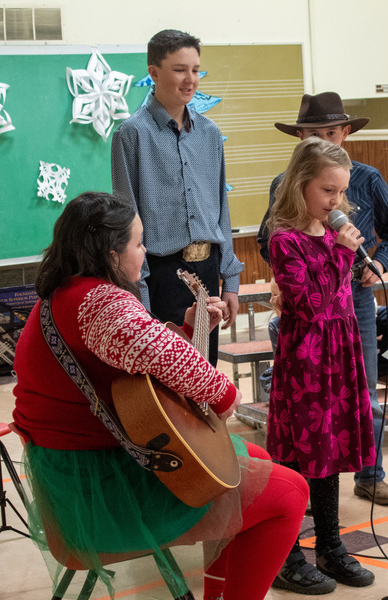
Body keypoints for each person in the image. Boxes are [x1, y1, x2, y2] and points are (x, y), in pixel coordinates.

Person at [12, 192, 307, 600]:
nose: (143, 252)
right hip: (101, 487)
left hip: (78, 471)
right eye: (138, 243)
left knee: (244, 461)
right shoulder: (100, 302)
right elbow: (181, 367)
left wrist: (187, 325)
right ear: (111, 251)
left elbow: (139, 349)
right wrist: (230, 400)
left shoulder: (65, 295)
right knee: (289, 491)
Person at [258, 92, 388, 507]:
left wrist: (377, 262)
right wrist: (289, 278)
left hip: (351, 300)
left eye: (329, 132)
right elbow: (268, 243)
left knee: (357, 386)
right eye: (311, 134)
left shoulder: (367, 177)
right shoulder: (285, 187)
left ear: (345, 132)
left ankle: (369, 473)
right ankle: (303, 483)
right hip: (309, 309)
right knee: (310, 404)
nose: (336, 200)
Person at [265, 137, 377, 595]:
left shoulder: (333, 236)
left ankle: (331, 547)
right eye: (327, 191)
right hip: (307, 357)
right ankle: (287, 556)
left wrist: (345, 252)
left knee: (330, 452)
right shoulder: (284, 239)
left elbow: (341, 299)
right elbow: (311, 305)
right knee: (298, 455)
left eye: (340, 192)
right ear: (301, 185)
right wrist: (344, 254)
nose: (336, 202)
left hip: (340, 351)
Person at [111, 29, 242, 366]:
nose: (190, 79)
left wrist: (232, 281)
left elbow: (220, 211)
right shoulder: (132, 134)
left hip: (208, 267)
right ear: (154, 72)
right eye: (180, 69)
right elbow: (127, 218)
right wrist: (139, 293)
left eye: (196, 70)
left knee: (206, 371)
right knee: (168, 372)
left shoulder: (210, 134)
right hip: (160, 272)